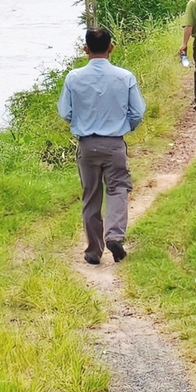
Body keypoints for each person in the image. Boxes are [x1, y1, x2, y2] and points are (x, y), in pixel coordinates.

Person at [57, 25, 146, 264]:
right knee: (117, 189)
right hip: (114, 144)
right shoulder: (125, 77)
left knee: (91, 195)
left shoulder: (73, 77)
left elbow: (65, 112)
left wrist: (82, 122)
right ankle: (114, 235)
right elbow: (138, 112)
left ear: (85, 49)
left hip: (87, 145)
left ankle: (93, 251)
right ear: (111, 48)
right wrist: (125, 126)